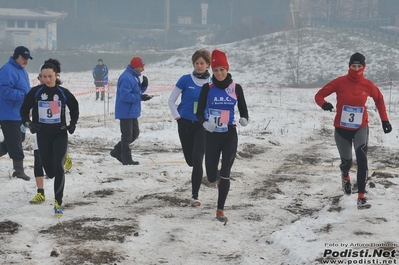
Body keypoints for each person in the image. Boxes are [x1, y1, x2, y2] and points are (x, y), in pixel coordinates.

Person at [315, 52, 392, 210]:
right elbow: (319, 95)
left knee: (362, 158)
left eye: (359, 66)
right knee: (347, 162)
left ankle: (361, 197)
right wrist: (324, 104)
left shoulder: (368, 85)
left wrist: (385, 120)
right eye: (353, 65)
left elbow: (379, 99)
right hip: (342, 129)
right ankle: (345, 176)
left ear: (364, 67)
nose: (356, 69)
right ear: (349, 66)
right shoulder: (340, 82)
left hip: (360, 127)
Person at [20, 59, 79, 216]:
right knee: (50, 172)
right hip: (43, 135)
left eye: (50, 76)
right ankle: (58, 162)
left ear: (56, 75)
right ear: (40, 77)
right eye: (44, 76)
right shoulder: (36, 92)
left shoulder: (63, 93)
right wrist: (29, 124)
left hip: (60, 133)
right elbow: (24, 111)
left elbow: (75, 108)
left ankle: (58, 203)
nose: (47, 79)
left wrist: (73, 124)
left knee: (59, 169)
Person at [196, 49, 249, 223]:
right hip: (211, 135)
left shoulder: (236, 88)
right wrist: (205, 123)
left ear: (227, 69)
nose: (219, 73)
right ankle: (217, 177)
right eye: (216, 70)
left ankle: (220, 210)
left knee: (226, 173)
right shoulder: (207, 88)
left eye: (222, 69)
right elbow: (199, 113)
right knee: (211, 176)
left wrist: (244, 118)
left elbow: (243, 109)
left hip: (229, 135)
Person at [168, 49, 211, 207]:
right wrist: (178, 118)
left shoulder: (212, 83)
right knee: (190, 161)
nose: (199, 66)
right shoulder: (185, 80)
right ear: (193, 64)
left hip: (202, 125)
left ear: (208, 64)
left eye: (202, 63)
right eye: (196, 63)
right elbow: (171, 100)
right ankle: (194, 173)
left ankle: (195, 195)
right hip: (185, 124)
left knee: (198, 160)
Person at [110, 57, 152, 165]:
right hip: (125, 111)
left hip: (132, 111)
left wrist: (143, 87)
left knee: (134, 134)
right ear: (136, 66)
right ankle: (126, 159)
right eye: (142, 67)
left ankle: (117, 150)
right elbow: (125, 96)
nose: (143, 69)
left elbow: (135, 92)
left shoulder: (134, 77)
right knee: (127, 136)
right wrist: (140, 97)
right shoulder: (126, 78)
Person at [0, 46, 33, 181]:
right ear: (16, 57)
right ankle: (19, 170)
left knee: (19, 139)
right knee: (15, 142)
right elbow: (4, 91)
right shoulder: (7, 70)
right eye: (23, 58)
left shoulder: (23, 71)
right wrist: (24, 96)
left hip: (20, 114)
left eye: (27, 59)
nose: (26, 61)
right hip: (8, 114)